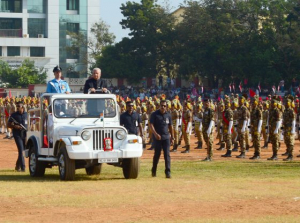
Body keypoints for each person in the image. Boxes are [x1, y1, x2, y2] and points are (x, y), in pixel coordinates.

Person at [150, 100, 174, 178]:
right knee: (157, 155)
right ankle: (154, 171)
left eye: (164, 106)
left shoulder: (168, 115)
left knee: (167, 155)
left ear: (166, 107)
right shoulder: (154, 114)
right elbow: (151, 125)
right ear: (159, 106)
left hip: (166, 137)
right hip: (157, 138)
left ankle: (168, 172)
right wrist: (155, 134)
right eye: (161, 106)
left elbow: (170, 126)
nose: (163, 107)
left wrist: (172, 137)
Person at [7, 101, 28, 172]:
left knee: (23, 151)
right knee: (21, 151)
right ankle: (23, 168)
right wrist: (15, 126)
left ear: (22, 107)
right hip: (17, 134)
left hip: (25, 134)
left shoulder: (27, 114)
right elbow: (8, 125)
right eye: (17, 106)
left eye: (19, 106)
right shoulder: (14, 115)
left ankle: (17, 165)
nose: (17, 107)